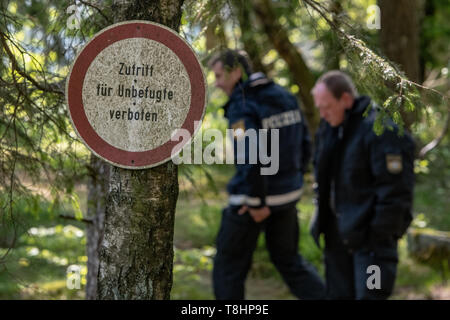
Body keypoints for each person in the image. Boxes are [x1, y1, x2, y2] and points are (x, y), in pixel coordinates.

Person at [209, 49, 325, 300]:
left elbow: (250, 157)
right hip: (287, 197)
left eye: (218, 76)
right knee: (289, 261)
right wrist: (293, 181)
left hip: (253, 203)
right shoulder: (284, 95)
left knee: (227, 268)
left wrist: (258, 202)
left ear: (236, 72)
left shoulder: (242, 105)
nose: (216, 83)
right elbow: (305, 143)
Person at [310, 70, 415, 299]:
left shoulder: (380, 129)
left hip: (372, 247)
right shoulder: (331, 129)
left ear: (346, 99)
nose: (322, 114)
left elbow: (396, 192)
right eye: (319, 107)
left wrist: (378, 235)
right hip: (337, 240)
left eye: (326, 106)